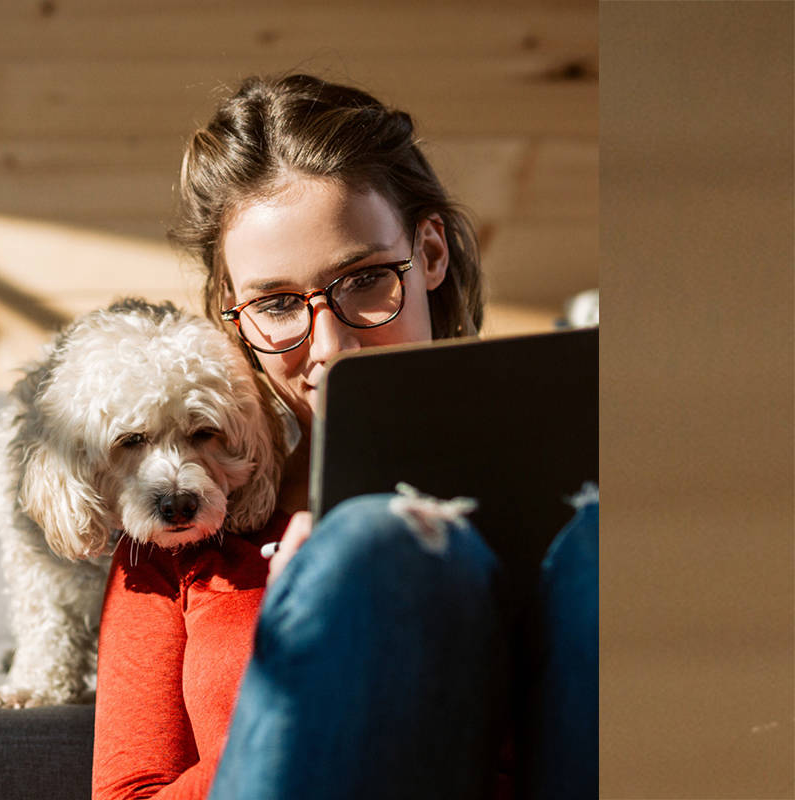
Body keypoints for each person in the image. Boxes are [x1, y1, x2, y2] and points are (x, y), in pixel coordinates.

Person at [92, 73, 597, 800]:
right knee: (377, 547)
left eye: (363, 280)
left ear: (429, 254)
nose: (329, 345)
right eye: (277, 303)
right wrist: (302, 663)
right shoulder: (180, 529)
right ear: (233, 313)